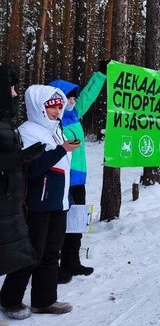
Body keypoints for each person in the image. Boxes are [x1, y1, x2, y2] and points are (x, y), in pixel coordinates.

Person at [1, 85, 81, 319]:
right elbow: (31, 169)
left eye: (59, 106)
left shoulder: (57, 130)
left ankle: (45, 300)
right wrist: (60, 150)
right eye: (52, 107)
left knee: (51, 252)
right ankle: (10, 299)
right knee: (30, 253)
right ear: (39, 107)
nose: (57, 111)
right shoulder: (27, 131)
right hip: (37, 203)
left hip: (58, 201)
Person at [0, 65, 45, 326]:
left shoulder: (5, 122)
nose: (15, 93)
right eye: (11, 88)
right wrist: (21, 158)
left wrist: (23, 157)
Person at [48, 69, 106, 283]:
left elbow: (88, 96)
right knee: (61, 225)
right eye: (69, 97)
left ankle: (72, 262)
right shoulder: (55, 121)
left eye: (74, 98)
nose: (73, 101)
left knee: (77, 223)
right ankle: (58, 267)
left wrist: (101, 74)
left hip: (79, 179)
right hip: (63, 180)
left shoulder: (73, 115)